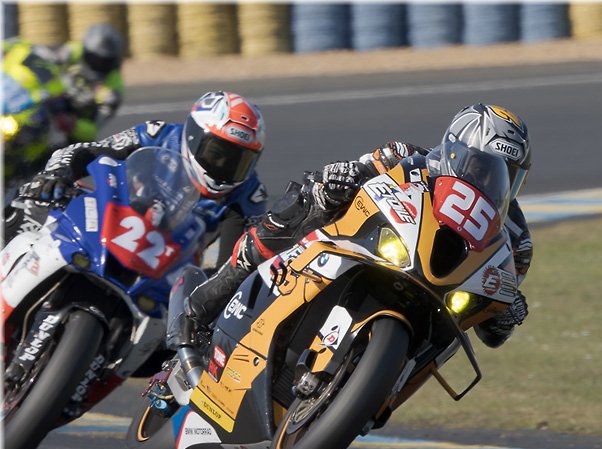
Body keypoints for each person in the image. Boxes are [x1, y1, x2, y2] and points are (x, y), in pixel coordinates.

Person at [175, 103, 533, 350]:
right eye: (484, 166)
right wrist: (336, 179)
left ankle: (370, 395)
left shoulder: (515, 242)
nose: (492, 180)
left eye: (509, 175)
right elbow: (350, 171)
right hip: (375, 252)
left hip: (432, 311)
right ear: (454, 149)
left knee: (449, 341)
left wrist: (507, 311)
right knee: (309, 201)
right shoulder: (408, 158)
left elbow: (492, 332)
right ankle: (205, 304)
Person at [6, 90, 269, 269]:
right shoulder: (157, 134)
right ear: (194, 136)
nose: (224, 167)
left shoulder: (249, 195)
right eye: (217, 154)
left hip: (168, 267)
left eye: (240, 160)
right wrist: (56, 174)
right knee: (27, 205)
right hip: (106, 225)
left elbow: (234, 265)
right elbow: (86, 151)